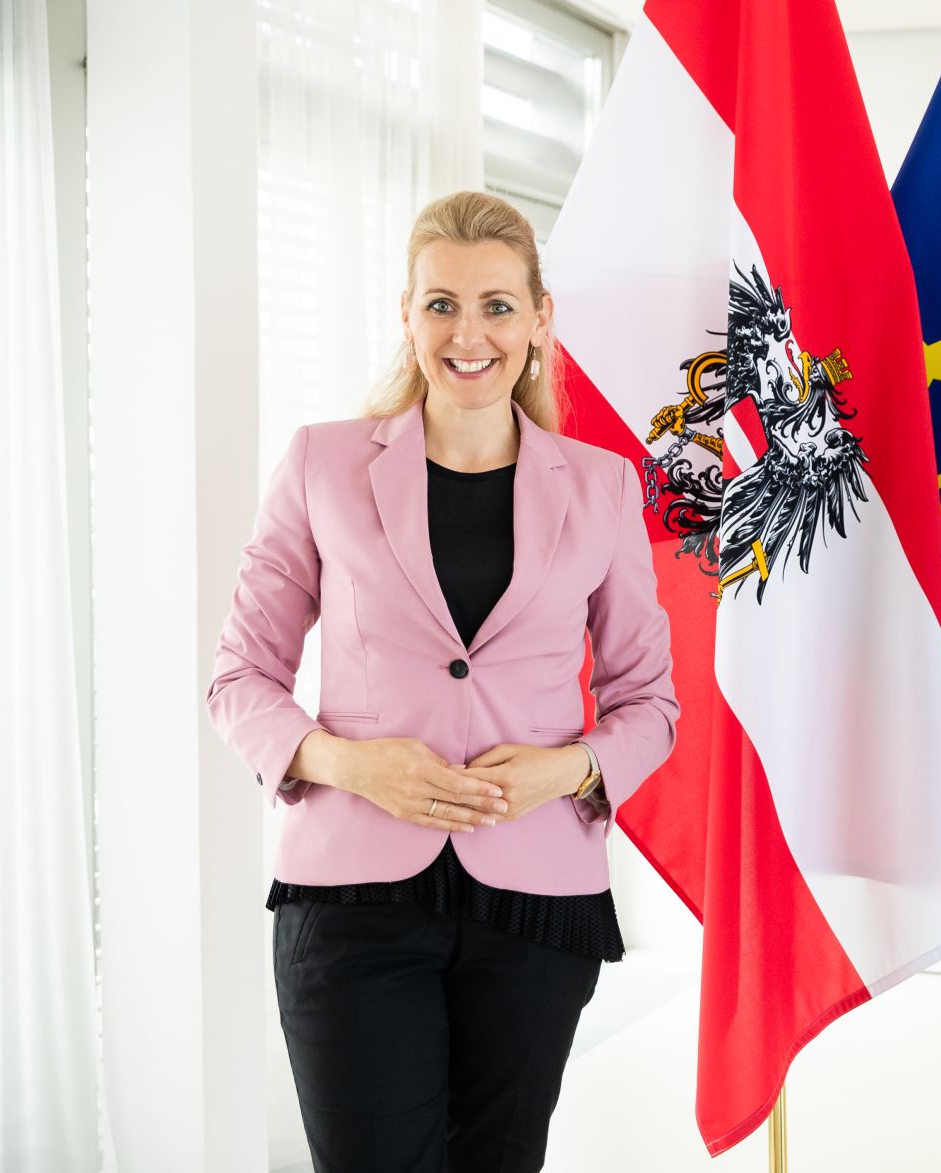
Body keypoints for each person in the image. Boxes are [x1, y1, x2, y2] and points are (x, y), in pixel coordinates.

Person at [206, 191, 678, 1172]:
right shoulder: (322, 464)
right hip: (350, 904)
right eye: (442, 304)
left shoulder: (599, 485)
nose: (469, 333)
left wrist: (569, 770)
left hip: (536, 905)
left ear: (540, 318)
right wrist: (343, 761)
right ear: (408, 313)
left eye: (498, 305)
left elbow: (649, 701)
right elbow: (239, 676)